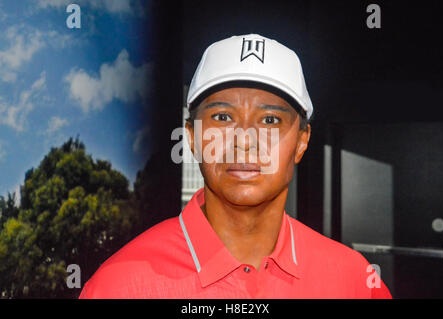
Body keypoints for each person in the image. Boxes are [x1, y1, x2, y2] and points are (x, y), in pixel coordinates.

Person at [79, 34, 391, 298]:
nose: (244, 140)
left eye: (270, 120)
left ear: (301, 141)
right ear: (192, 136)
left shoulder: (354, 280)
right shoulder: (119, 285)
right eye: (223, 117)